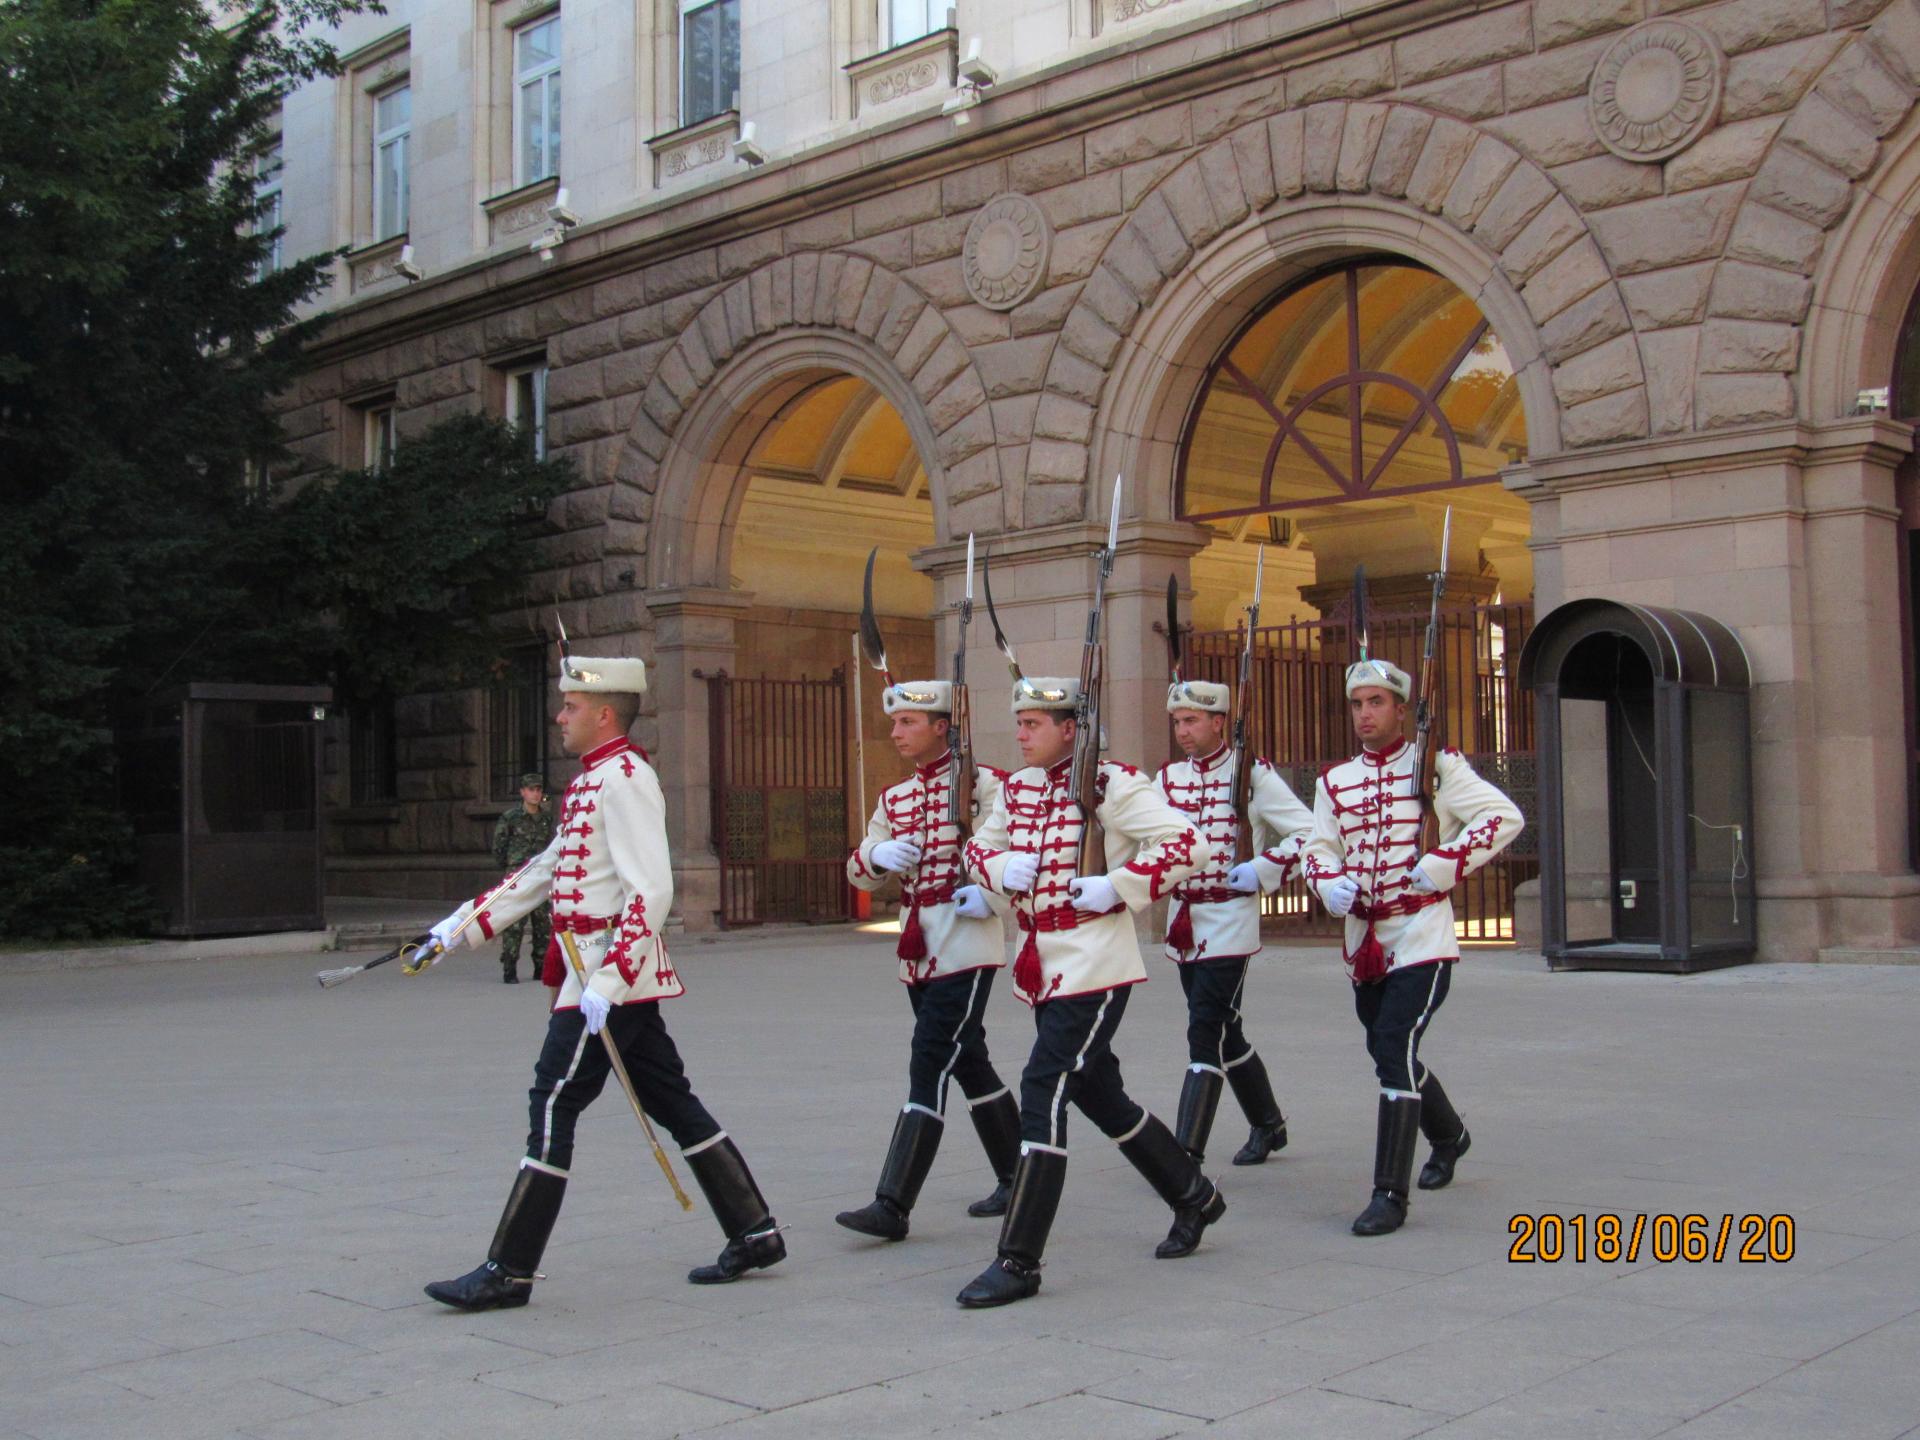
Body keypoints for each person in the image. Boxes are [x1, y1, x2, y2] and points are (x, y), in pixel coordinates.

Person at [417, 653, 786, 1309]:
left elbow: (652, 888)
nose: (561, 716)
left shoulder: (625, 779)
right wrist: (457, 929)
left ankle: (510, 1270)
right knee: (671, 1101)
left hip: (603, 977)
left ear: (605, 713)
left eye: (571, 707)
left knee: (553, 1102)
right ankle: (754, 1229)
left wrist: (608, 981)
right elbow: (542, 872)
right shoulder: (594, 782)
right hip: (600, 974)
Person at [954, 677, 1219, 1308]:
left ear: (1070, 729)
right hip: (1041, 961)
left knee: (1044, 1088)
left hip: (1096, 964)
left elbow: (1190, 842)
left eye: (1034, 724)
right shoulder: (1016, 790)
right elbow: (977, 847)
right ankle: (1194, 1196)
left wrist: (1121, 884)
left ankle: (1018, 1260)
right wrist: (996, 868)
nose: (1020, 734)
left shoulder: (1115, 784)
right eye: (1018, 722)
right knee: (1102, 1096)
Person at [1301, 657, 1523, 1236]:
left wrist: (1445, 863)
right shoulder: (1335, 781)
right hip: (1365, 939)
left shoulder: (1437, 766)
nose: (1366, 714)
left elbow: (1503, 817)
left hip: (1422, 935)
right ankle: (1450, 1136)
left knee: (1393, 1043)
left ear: (1402, 709)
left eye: (1377, 702)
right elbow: (1318, 848)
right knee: (1385, 1047)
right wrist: (1327, 882)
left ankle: (1389, 1194)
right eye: (1357, 704)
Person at [838, 680, 1020, 1240]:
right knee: (968, 1060)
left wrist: (987, 894)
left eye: (907, 724)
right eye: (894, 724)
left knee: (930, 1058)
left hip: (966, 942)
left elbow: (1015, 851)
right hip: (918, 947)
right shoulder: (894, 798)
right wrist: (875, 853)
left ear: (942, 725)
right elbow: (857, 869)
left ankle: (893, 1203)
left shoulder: (987, 785)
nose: (895, 733)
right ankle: (1019, 1175)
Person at [1157, 680, 1314, 1168]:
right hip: (1185, 919)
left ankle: (1186, 1157)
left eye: (1192, 721)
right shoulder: (1166, 779)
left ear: (1219, 721)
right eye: (1178, 722)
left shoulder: (1253, 775)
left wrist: (1262, 869)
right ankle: (1268, 1124)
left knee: (1203, 1030)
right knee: (1226, 1031)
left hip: (1229, 917)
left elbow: (1309, 832)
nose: (1183, 731)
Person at [489, 772, 553, 984]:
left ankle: (540, 966)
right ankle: (510, 967)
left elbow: (550, 847)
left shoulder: (545, 819)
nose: (535, 794)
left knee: (542, 923)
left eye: (538, 789)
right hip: (517, 875)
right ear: (523, 792)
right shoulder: (511, 817)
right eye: (531, 789)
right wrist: (510, 866)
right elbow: (498, 847)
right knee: (514, 922)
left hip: (540, 875)